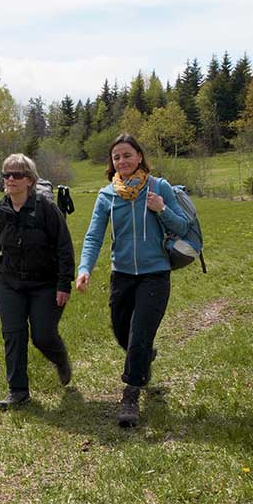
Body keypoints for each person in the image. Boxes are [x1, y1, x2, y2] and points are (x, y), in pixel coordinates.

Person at [75, 134, 189, 427]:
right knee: (121, 331)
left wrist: (161, 208)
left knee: (139, 333)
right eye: (116, 157)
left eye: (127, 155)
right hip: (122, 275)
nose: (122, 161)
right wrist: (84, 267)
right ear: (112, 164)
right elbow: (94, 235)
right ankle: (143, 357)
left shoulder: (158, 186)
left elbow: (183, 226)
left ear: (139, 156)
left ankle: (130, 394)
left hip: (155, 274)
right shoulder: (107, 196)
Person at [0, 154, 75, 410]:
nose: (10, 179)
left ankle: (60, 358)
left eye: (16, 175)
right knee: (14, 334)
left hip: (45, 284)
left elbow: (64, 247)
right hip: (9, 284)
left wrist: (64, 284)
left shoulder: (47, 210)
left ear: (29, 180)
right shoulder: (0, 212)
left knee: (42, 335)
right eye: (6, 174)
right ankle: (18, 390)